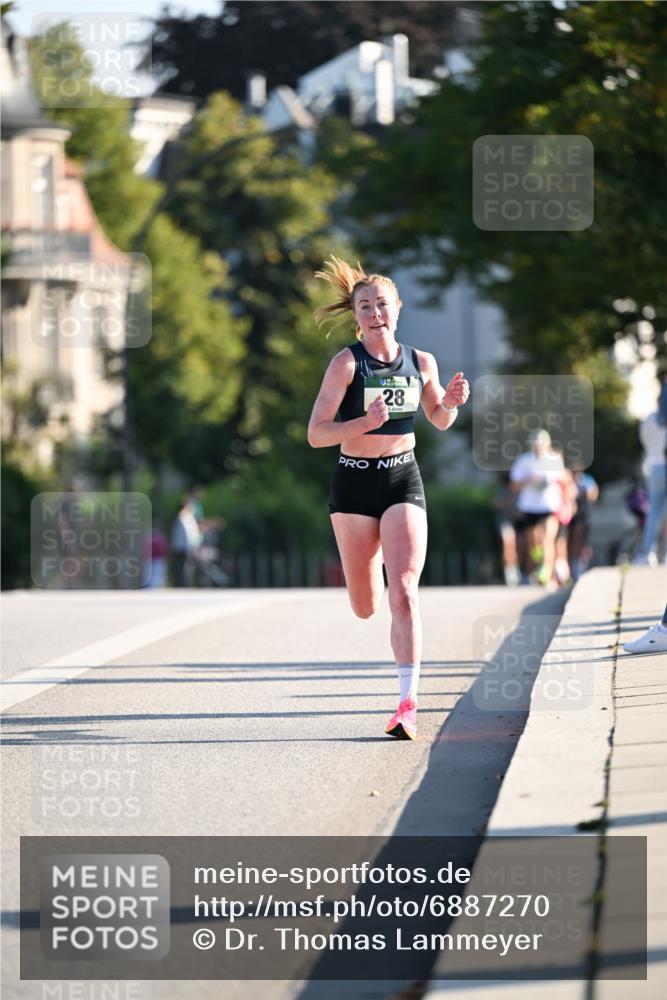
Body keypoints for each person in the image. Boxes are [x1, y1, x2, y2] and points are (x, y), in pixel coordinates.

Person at [308, 256, 470, 740]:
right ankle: (369, 571)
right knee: (365, 604)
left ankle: (407, 705)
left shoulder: (421, 362)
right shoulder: (345, 364)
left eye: (382, 304)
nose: (375, 312)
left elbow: (438, 418)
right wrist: (363, 423)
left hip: (402, 479)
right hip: (354, 485)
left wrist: (453, 405)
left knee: (403, 589)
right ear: (355, 316)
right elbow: (316, 434)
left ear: (397, 309)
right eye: (365, 306)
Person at [509, 430, 564, 589]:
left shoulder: (554, 459)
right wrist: (529, 481)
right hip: (530, 507)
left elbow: (562, 480)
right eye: (536, 443)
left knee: (548, 539)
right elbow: (513, 485)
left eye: (541, 443)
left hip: (549, 506)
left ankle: (546, 571)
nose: (538, 446)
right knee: (533, 543)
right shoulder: (524, 461)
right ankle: (538, 565)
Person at [634, 408, 667, 566]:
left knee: (653, 511)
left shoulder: (649, 419)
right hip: (659, 463)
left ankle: (648, 551)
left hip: (654, 465)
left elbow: (644, 440)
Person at [170, 497, 202, 587]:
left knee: (184, 567)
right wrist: (192, 547)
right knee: (184, 568)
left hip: (182, 547)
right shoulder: (185, 517)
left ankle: (183, 584)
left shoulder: (183, 517)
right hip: (184, 547)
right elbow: (188, 534)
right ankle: (183, 584)